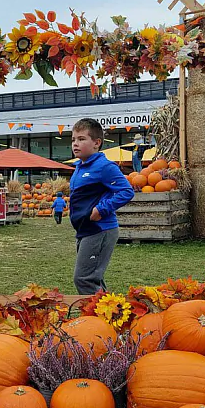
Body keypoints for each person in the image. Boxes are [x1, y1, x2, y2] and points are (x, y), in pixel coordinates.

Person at [69, 118, 135, 294]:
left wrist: (101, 209)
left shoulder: (105, 167)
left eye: (82, 139)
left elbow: (126, 191)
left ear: (97, 143)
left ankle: (96, 319)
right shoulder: (79, 167)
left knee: (84, 279)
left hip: (100, 229)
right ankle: (107, 316)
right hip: (84, 230)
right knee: (92, 278)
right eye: (73, 139)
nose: (76, 144)